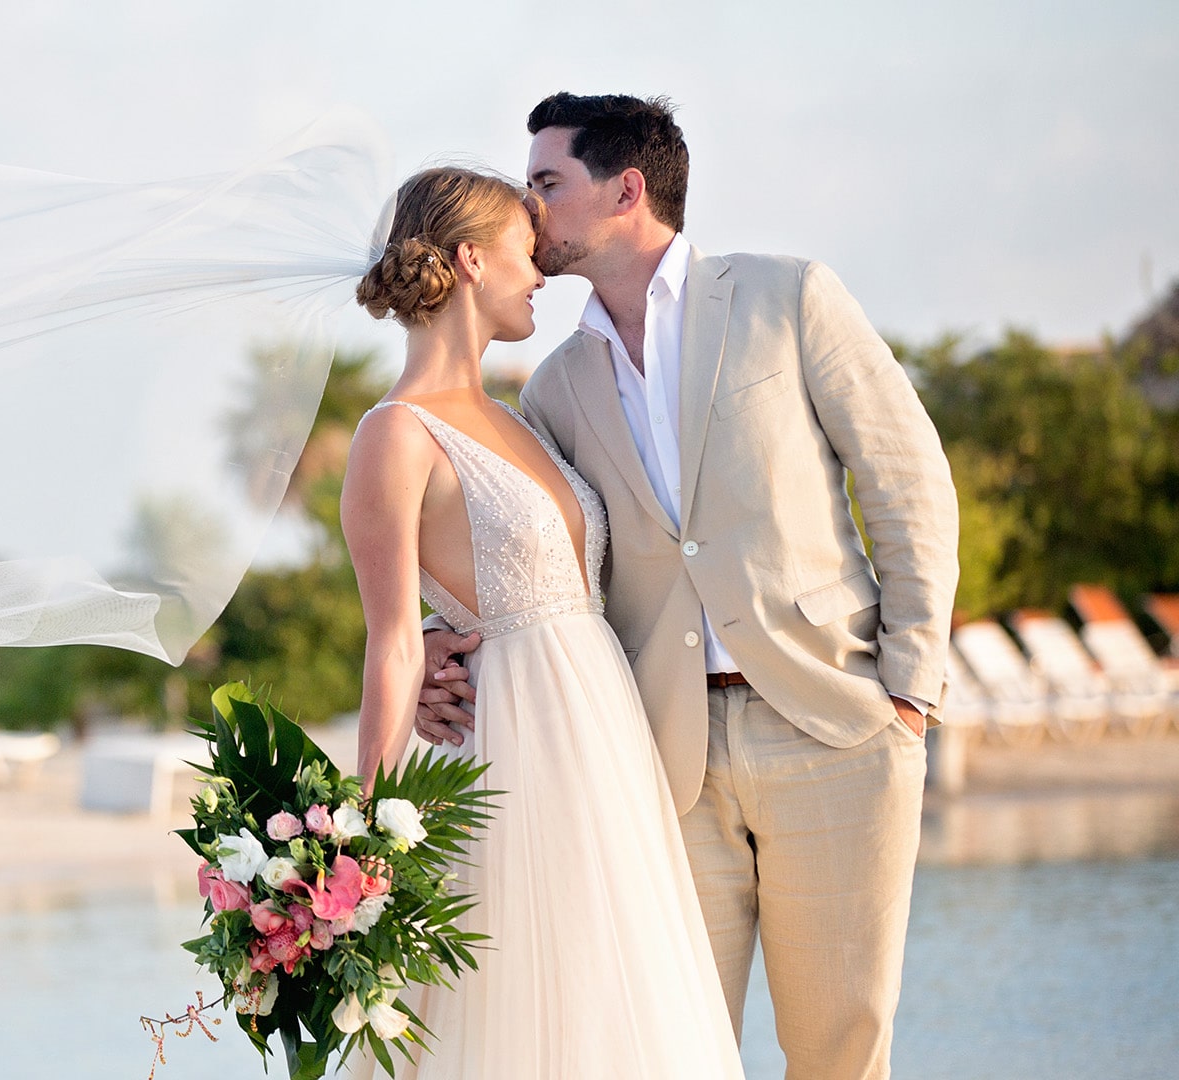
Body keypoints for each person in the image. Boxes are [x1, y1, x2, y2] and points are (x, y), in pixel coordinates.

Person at [415, 94, 959, 1080]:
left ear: (626, 189)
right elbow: (518, 544)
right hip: (657, 760)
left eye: (548, 185)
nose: (528, 213)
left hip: (833, 727)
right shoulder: (553, 386)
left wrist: (911, 684)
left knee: (842, 1048)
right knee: (666, 1050)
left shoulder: (787, 297)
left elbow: (903, 473)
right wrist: (428, 638)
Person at [340, 166, 744, 1078]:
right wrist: (359, 837)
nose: (542, 275)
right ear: (473, 261)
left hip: (601, 743)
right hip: (507, 751)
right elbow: (395, 639)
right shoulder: (393, 435)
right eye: (527, 256)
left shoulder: (521, 419)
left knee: (616, 1000)